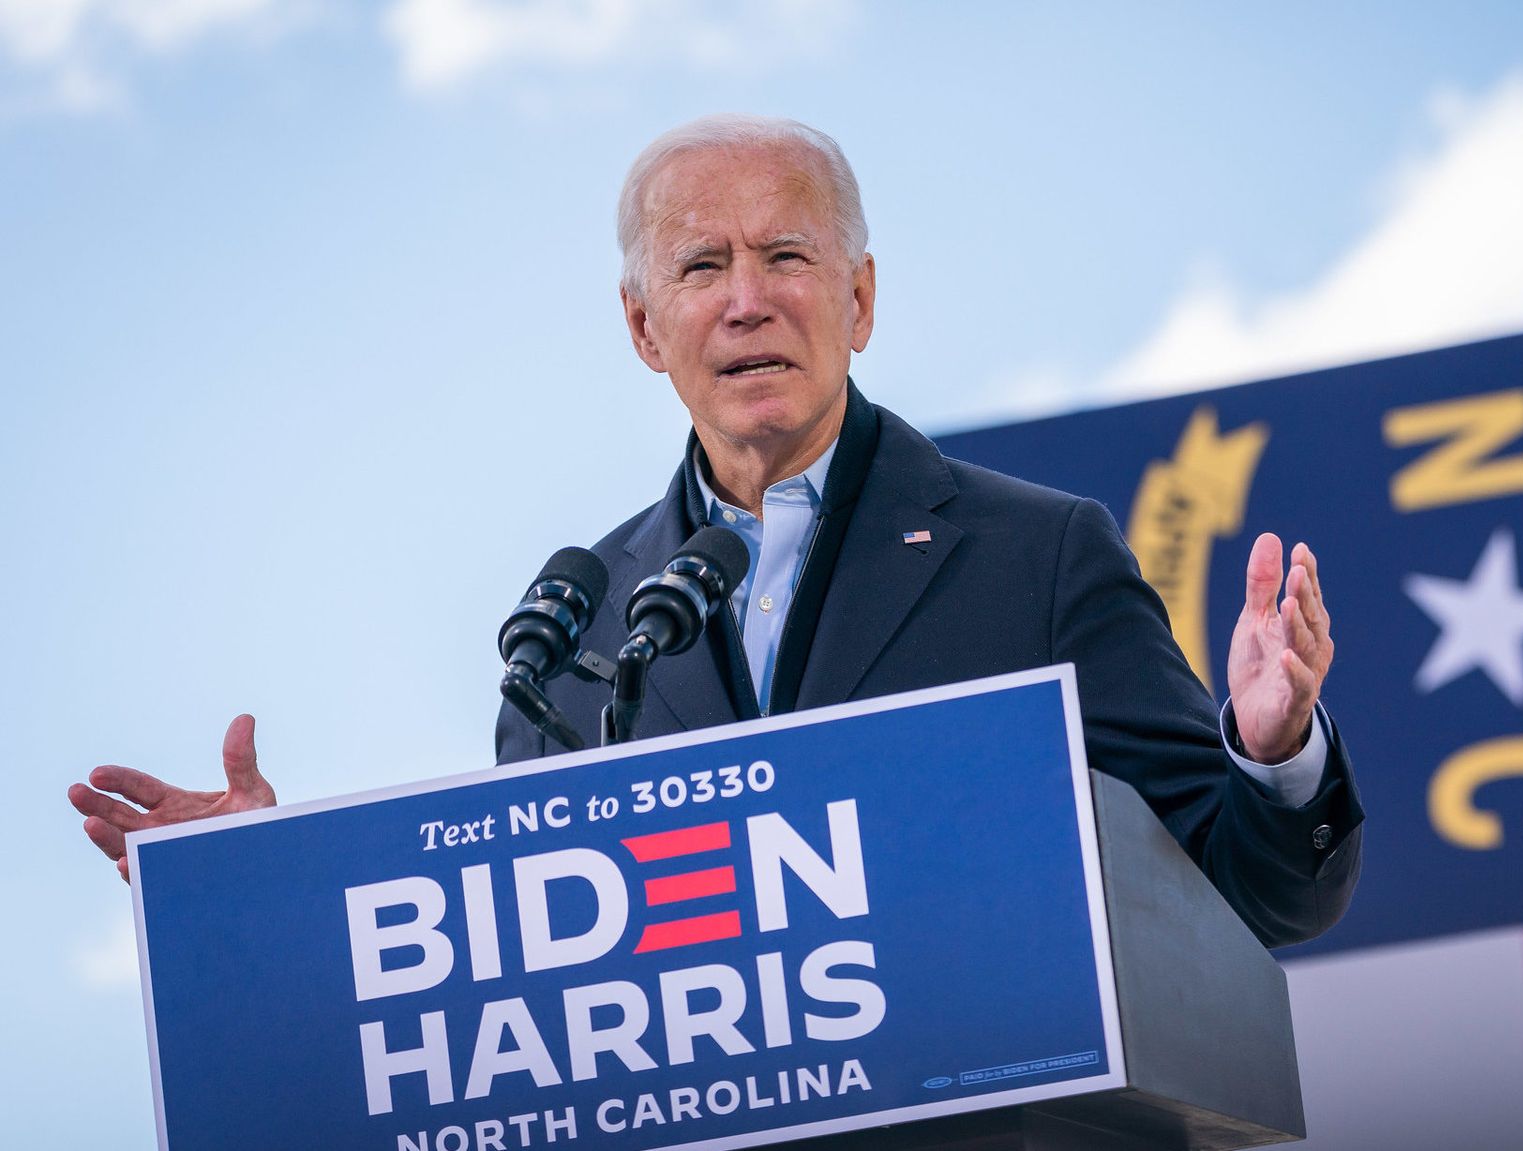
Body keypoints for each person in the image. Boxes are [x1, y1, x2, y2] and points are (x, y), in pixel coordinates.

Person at [69, 115, 1362, 947]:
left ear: (859, 299)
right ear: (644, 330)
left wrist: (1274, 748)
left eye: (787, 257)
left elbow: (1254, 890)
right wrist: (257, 890)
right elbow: (527, 952)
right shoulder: (571, 633)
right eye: (701, 269)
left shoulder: (1039, 553)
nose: (748, 302)